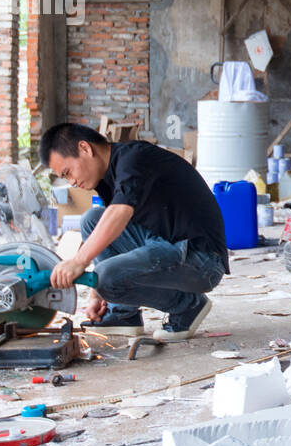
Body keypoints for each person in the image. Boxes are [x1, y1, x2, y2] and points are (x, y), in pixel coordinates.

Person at [40, 122, 228, 342]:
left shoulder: (134, 158)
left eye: (68, 172)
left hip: (202, 260)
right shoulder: (108, 176)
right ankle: (123, 314)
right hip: (165, 243)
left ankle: (187, 305)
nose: (71, 181)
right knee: (92, 220)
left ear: (85, 148)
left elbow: (120, 212)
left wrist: (79, 261)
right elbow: (112, 224)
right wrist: (97, 295)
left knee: (105, 278)